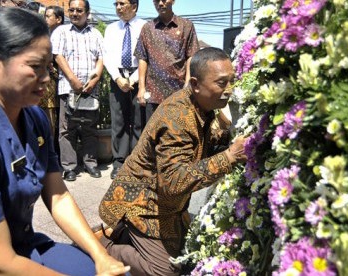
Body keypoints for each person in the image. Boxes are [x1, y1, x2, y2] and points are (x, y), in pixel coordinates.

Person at [0, 8, 129, 276]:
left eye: (47, 67)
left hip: (22, 247)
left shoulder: (33, 117)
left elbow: (58, 195)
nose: (45, 78)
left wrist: (101, 256)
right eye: (35, 67)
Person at [98, 47, 247, 276]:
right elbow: (173, 182)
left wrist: (225, 136)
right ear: (195, 84)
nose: (229, 90)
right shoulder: (177, 117)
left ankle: (124, 236)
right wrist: (228, 157)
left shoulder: (202, 105)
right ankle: (102, 245)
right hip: (141, 203)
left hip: (167, 204)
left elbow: (196, 144)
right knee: (165, 271)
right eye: (221, 83)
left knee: (188, 253)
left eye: (231, 81)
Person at [51, 0, 104, 181]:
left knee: (90, 127)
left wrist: (95, 78)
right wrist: (73, 80)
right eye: (71, 9)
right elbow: (58, 56)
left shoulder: (96, 33)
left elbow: (101, 59)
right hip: (68, 88)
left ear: (87, 12)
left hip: (90, 89)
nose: (74, 13)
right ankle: (70, 167)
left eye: (79, 10)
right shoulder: (61, 31)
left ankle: (91, 164)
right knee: (67, 129)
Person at [135, 0, 199, 123]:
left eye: (164, 0)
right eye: (156, 1)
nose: (160, 3)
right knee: (153, 135)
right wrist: (141, 87)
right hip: (153, 94)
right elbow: (142, 58)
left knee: (177, 133)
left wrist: (188, 83)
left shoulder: (186, 26)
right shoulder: (148, 28)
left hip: (179, 93)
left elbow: (191, 55)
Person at [103, 0, 146, 180]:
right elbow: (106, 55)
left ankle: (136, 163)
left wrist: (134, 79)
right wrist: (118, 78)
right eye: (116, 4)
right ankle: (119, 162)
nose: (118, 7)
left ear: (134, 6)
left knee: (138, 122)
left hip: (139, 77)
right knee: (119, 121)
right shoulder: (111, 29)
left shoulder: (145, 26)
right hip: (118, 77)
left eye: (122, 3)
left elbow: (147, 56)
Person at [40, 5, 64, 158]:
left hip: (54, 85)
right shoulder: (41, 35)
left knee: (52, 123)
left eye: (49, 16)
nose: (45, 19)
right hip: (39, 86)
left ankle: (52, 156)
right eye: (45, 16)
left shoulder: (64, 35)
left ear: (58, 19)